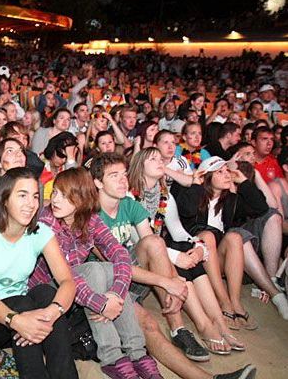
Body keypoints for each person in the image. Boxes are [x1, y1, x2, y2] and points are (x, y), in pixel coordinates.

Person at [90, 153, 257, 379]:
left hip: (131, 275)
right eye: (114, 176)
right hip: (106, 285)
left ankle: (178, 327)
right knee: (149, 325)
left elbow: (151, 245)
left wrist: (174, 280)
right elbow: (114, 265)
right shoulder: (90, 214)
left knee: (156, 242)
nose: (123, 181)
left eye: (124, 175)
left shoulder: (129, 205)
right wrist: (168, 282)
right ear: (98, 182)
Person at [30, 168, 163, 378]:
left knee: (110, 268)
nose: (55, 200)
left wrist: (116, 295)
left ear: (81, 198)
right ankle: (112, 357)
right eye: (55, 192)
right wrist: (101, 304)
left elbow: (119, 253)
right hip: (48, 293)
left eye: (64, 195)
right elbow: (65, 274)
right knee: (93, 269)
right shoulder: (47, 222)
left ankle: (137, 354)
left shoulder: (90, 219)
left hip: (78, 289)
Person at [0, 167, 78, 379]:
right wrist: (17, 321)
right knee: (23, 304)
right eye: (22, 195)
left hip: (22, 315)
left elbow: (67, 281)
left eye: (35, 196)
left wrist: (53, 312)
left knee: (46, 293)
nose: (31, 204)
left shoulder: (41, 232)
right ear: (4, 199)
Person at [128, 148, 244, 354]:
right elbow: (141, 240)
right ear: (139, 166)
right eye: (152, 159)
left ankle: (218, 321)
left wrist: (198, 246)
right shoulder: (130, 196)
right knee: (174, 253)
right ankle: (203, 324)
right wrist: (175, 256)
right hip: (135, 257)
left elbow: (178, 231)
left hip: (157, 247)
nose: (160, 160)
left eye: (159, 156)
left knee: (187, 248)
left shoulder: (164, 195)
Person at [175, 156, 288, 322]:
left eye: (227, 171)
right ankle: (223, 300)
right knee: (207, 235)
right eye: (220, 172)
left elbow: (262, 208)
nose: (227, 175)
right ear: (207, 177)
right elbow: (186, 210)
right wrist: (196, 185)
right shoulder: (194, 194)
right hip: (195, 257)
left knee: (235, 237)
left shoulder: (231, 200)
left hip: (219, 260)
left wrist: (243, 181)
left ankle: (234, 301)